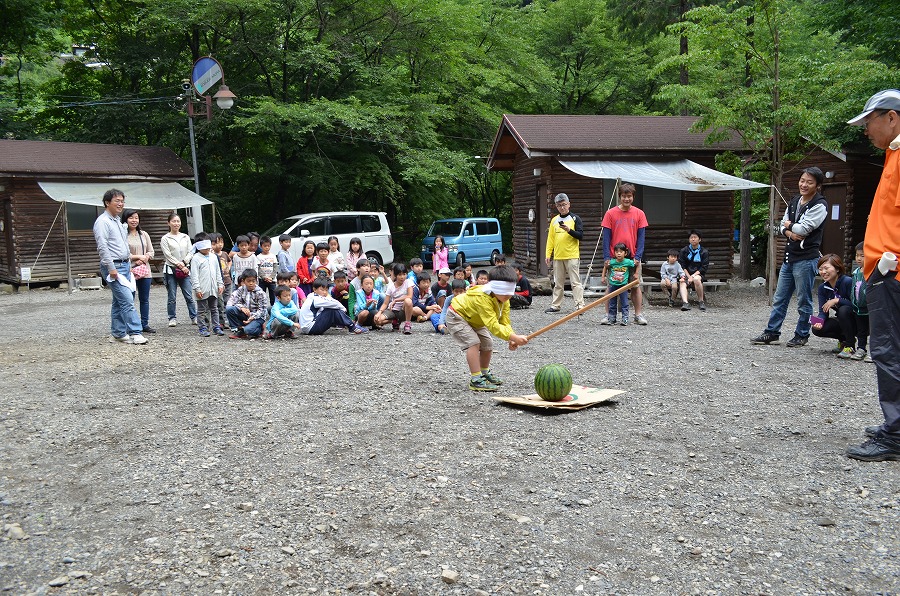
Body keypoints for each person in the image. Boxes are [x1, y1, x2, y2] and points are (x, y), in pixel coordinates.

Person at [845, 89, 900, 461]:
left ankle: (895, 435)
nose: (866, 130)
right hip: (887, 271)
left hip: (893, 274)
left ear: (892, 117)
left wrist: (889, 262)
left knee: (889, 351)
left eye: (869, 122)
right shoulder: (892, 155)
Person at [751, 167, 828, 347]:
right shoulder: (794, 200)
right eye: (802, 180)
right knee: (780, 298)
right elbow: (783, 226)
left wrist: (789, 227)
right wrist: (789, 231)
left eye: (809, 182)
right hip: (789, 257)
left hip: (806, 259)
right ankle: (772, 332)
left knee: (803, 300)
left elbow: (803, 229)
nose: (804, 184)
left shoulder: (820, 205)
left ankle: (802, 334)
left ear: (817, 185)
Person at [445, 264, 529, 391]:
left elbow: (504, 321)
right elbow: (492, 325)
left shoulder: (504, 299)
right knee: (473, 343)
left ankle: (484, 373)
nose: (507, 296)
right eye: (504, 292)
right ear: (495, 288)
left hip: (475, 319)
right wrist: (513, 337)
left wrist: (511, 338)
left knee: (487, 344)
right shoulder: (482, 298)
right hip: (457, 315)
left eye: (509, 292)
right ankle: (476, 379)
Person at [92, 189, 147, 345]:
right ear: (107, 203)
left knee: (119, 301)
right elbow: (102, 247)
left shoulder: (117, 221)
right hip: (113, 266)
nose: (121, 204)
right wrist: (111, 268)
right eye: (117, 201)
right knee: (127, 299)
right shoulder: (102, 222)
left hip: (124, 265)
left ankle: (118, 333)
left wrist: (129, 264)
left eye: (122, 201)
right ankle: (136, 332)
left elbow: (123, 247)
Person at [601, 183, 648, 325]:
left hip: (632, 257)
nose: (626, 199)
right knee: (611, 286)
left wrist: (638, 256)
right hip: (615, 257)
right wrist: (607, 257)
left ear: (633, 197)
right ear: (619, 197)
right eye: (623, 196)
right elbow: (606, 237)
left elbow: (641, 238)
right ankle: (608, 314)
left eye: (629, 196)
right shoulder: (610, 213)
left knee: (635, 286)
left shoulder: (639, 214)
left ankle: (638, 314)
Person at [544, 192, 585, 313]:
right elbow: (550, 239)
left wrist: (569, 230)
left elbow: (580, 235)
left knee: (575, 282)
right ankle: (555, 305)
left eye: (564, 204)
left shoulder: (575, 218)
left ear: (569, 204)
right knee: (558, 282)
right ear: (556, 207)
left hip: (572, 255)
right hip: (558, 256)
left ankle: (580, 306)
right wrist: (548, 254)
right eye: (559, 205)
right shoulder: (554, 221)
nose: (562, 207)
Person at [810, 254, 856, 357]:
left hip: (858, 321)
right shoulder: (823, 288)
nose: (823, 272)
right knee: (817, 329)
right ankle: (843, 340)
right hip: (842, 320)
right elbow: (823, 311)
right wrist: (819, 321)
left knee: (843, 310)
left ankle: (850, 346)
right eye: (820, 269)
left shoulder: (847, 281)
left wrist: (837, 300)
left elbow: (855, 305)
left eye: (826, 268)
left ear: (838, 269)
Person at [160, 212, 197, 327]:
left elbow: (191, 251)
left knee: (189, 295)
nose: (176, 223)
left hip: (185, 269)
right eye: (174, 221)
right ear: (168, 223)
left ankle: (194, 316)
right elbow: (167, 255)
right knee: (172, 295)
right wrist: (180, 265)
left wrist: (184, 263)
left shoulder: (185, 237)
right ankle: (172, 317)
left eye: (178, 221)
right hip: (171, 270)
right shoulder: (165, 238)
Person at [122, 209, 156, 333]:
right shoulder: (123, 234)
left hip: (144, 271)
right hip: (129, 270)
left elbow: (151, 251)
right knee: (129, 299)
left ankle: (144, 324)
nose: (134, 220)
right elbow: (123, 253)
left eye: (136, 218)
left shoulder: (144, 234)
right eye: (131, 218)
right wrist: (138, 258)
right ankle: (129, 324)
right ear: (125, 219)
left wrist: (145, 257)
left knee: (144, 299)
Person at [299, 278, 368, 335]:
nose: (324, 292)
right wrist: (343, 308)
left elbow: (331, 301)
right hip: (310, 328)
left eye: (326, 290)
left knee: (332, 309)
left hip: (308, 327)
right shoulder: (315, 299)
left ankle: (348, 325)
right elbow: (333, 304)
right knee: (331, 310)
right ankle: (352, 326)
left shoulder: (314, 296)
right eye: (322, 290)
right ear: (314, 289)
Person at [189, 239, 224, 337]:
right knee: (201, 310)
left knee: (214, 308)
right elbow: (194, 275)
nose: (208, 248)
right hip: (202, 289)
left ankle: (216, 326)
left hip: (214, 288)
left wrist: (220, 284)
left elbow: (218, 272)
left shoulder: (213, 257)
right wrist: (197, 288)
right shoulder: (195, 258)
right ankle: (202, 328)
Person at [225, 269, 269, 339]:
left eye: (253, 281)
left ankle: (259, 329)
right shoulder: (241, 289)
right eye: (248, 281)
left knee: (249, 330)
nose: (251, 283)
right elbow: (235, 302)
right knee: (229, 309)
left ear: (256, 281)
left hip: (257, 317)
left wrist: (252, 318)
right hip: (245, 314)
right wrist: (242, 308)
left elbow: (262, 310)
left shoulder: (261, 293)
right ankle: (238, 329)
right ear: (244, 281)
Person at [601, 242, 635, 326]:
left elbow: (637, 264)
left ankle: (625, 318)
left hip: (623, 285)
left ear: (625, 253)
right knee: (612, 302)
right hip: (613, 285)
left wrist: (636, 274)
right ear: (614, 253)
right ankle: (612, 318)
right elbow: (605, 266)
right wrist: (603, 277)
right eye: (617, 252)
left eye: (621, 251)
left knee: (624, 302)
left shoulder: (628, 262)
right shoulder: (612, 262)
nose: (619, 253)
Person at [376, 262, 415, 334]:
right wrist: (379, 312)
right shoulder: (391, 287)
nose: (402, 277)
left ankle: (407, 324)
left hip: (404, 310)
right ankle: (394, 321)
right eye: (400, 275)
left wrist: (396, 300)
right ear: (395, 275)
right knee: (378, 321)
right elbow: (385, 303)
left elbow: (410, 296)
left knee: (408, 301)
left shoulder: (408, 282)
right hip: (393, 310)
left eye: (404, 274)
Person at [849, 242, 872, 362]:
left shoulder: (872, 272)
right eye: (857, 255)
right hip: (858, 307)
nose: (858, 258)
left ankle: (874, 351)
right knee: (861, 330)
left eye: (862, 256)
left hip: (871, 308)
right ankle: (861, 348)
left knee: (874, 329)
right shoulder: (856, 272)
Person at [678, 230, 710, 311]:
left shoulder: (704, 252)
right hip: (686, 273)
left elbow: (704, 267)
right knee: (682, 281)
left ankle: (701, 301)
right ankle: (685, 303)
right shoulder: (684, 251)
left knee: (696, 279)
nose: (693, 239)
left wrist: (693, 276)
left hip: (698, 274)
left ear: (699, 239)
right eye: (691, 237)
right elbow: (682, 265)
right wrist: (688, 276)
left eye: (695, 237)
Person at [209, 233, 233, 326]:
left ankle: (228, 320)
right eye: (216, 243)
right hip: (218, 283)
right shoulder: (212, 256)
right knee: (219, 302)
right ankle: (221, 321)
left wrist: (228, 268)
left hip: (227, 281)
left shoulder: (225, 254)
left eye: (221, 242)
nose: (219, 245)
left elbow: (230, 261)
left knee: (228, 301)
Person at [257, 236, 278, 305]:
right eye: (265, 246)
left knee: (273, 296)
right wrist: (264, 277)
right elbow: (258, 268)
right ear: (261, 246)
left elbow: (275, 268)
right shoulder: (259, 256)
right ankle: (262, 309)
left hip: (272, 280)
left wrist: (271, 277)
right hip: (262, 280)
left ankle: (273, 309)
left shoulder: (273, 256)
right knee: (261, 295)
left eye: (268, 246)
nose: (267, 248)